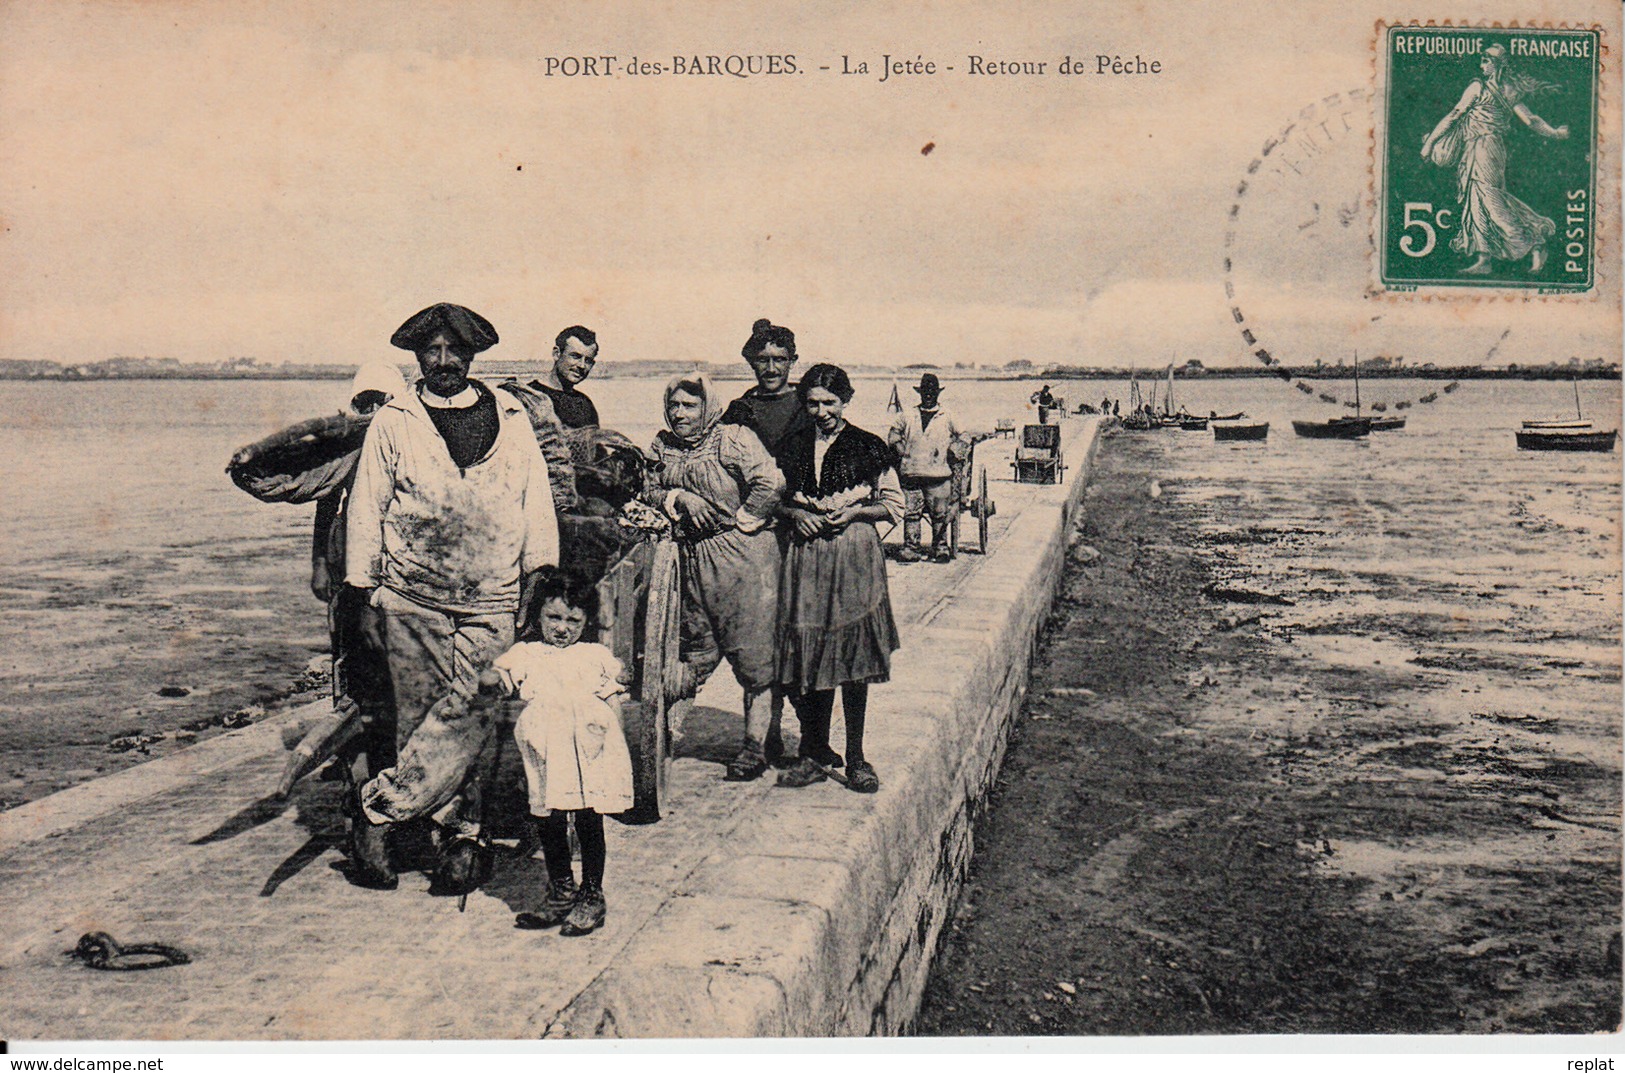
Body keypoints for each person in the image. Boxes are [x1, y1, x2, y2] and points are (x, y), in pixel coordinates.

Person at [346, 302, 559, 895]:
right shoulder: (395, 420)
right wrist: (363, 591)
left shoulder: (511, 416)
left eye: (453, 351)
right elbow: (368, 507)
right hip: (413, 593)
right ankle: (452, 841)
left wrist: (540, 572)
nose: (443, 362)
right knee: (420, 716)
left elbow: (535, 500)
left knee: (479, 710)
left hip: (494, 594)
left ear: (472, 355)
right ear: (417, 357)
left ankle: (379, 817)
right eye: (431, 351)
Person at [641, 372, 785, 781]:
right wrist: (678, 497)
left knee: (754, 654)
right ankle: (664, 737)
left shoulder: (732, 438)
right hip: (687, 560)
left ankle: (755, 746)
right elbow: (647, 489)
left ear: (708, 408)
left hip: (743, 560)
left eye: (690, 405)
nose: (679, 413)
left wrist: (743, 520)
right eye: (674, 405)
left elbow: (770, 482)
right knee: (692, 651)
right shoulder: (662, 446)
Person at [478, 570, 631, 938]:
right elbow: (503, 677)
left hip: (588, 750)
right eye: (554, 618)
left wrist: (617, 750)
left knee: (587, 820)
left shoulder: (594, 655)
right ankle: (561, 889)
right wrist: (492, 679)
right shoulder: (527, 653)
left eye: (573, 620)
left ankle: (592, 894)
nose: (562, 628)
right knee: (549, 819)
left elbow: (612, 701)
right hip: (545, 749)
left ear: (587, 621)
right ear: (539, 616)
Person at [774, 364, 902, 793]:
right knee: (811, 654)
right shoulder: (790, 447)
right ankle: (815, 750)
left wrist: (854, 512)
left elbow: (894, 505)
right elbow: (771, 501)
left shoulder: (868, 446)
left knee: (853, 658)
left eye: (829, 402)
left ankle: (857, 757)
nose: (821, 411)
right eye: (812, 403)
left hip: (854, 558)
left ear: (845, 400)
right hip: (807, 559)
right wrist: (796, 514)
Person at [1420, 43, 1569, 275]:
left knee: (1491, 200)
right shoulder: (1499, 88)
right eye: (1481, 61)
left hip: (1487, 148)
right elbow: (1530, 120)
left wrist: (1430, 144)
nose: (1482, 65)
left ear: (1497, 64)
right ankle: (1484, 259)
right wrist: (1555, 133)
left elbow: (1456, 114)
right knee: (1476, 200)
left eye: (1485, 61)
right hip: (1475, 148)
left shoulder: (1485, 88)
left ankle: (1536, 241)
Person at [889, 372, 962, 563]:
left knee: (939, 514)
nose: (928, 395)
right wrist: (900, 449)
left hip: (938, 475)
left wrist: (955, 448)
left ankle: (940, 548)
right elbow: (894, 434)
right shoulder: (907, 415)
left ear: (938, 393)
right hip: (911, 475)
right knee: (911, 513)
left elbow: (963, 436)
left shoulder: (947, 415)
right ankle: (911, 548)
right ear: (920, 393)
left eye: (932, 391)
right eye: (925, 392)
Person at [720, 318, 814, 468]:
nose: (771, 369)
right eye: (763, 360)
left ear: (792, 361)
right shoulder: (739, 410)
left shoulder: (811, 404)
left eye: (779, 360)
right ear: (751, 362)